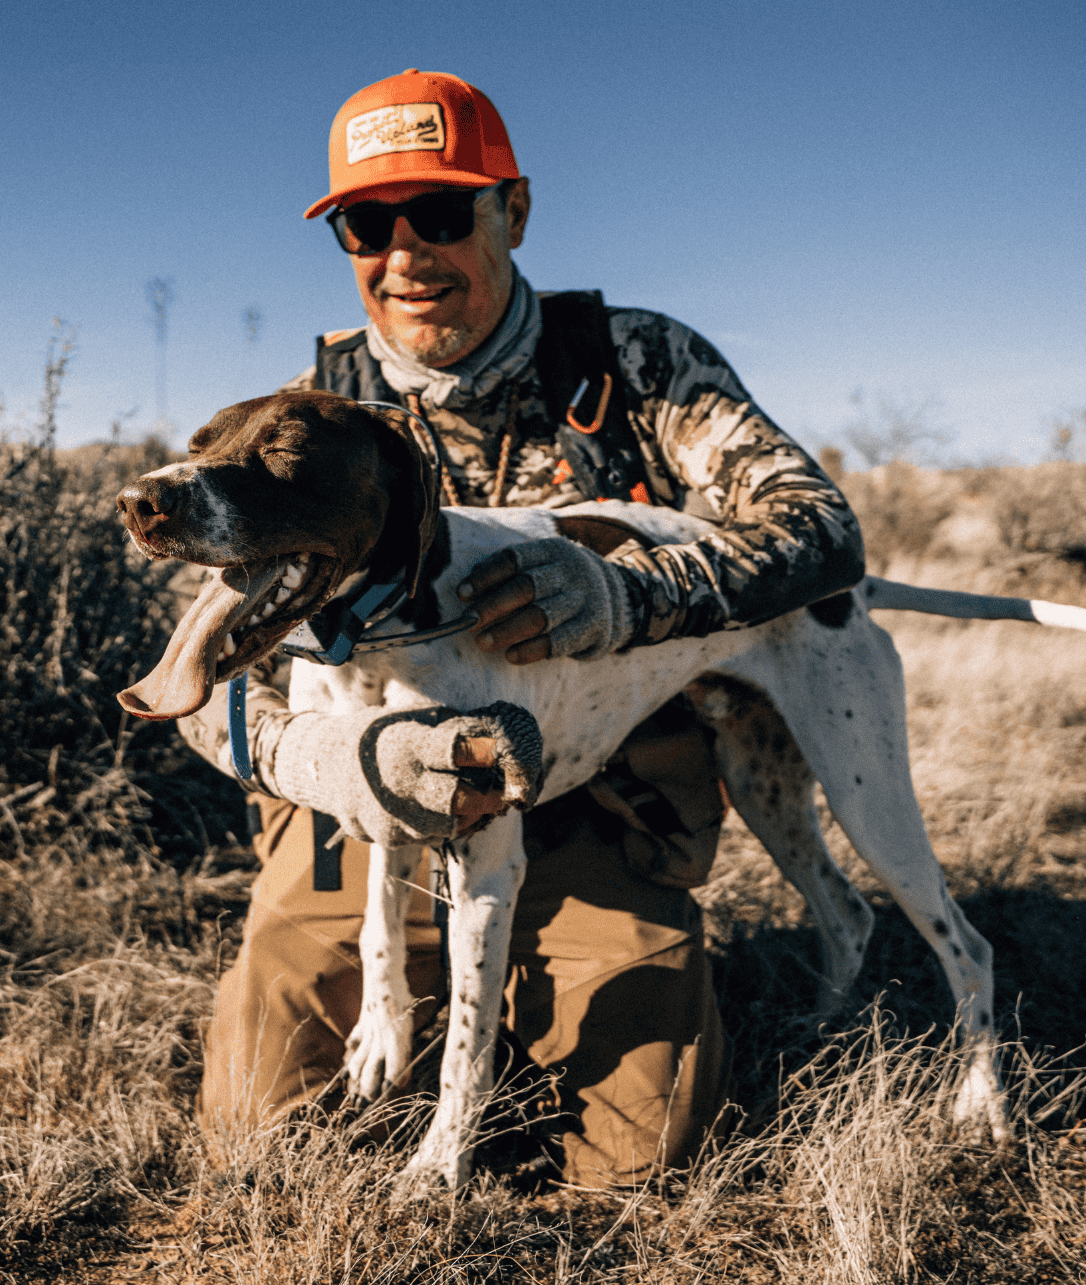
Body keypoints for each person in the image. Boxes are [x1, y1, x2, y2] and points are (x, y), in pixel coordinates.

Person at [181, 69, 865, 1187]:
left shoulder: (634, 365)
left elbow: (821, 535)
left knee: (642, 1157)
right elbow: (199, 679)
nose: (405, 253)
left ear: (516, 212)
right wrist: (333, 761)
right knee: (258, 1131)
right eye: (368, 221)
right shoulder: (301, 420)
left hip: (603, 792)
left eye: (444, 214)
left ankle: (563, 982)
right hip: (369, 824)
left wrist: (627, 596)